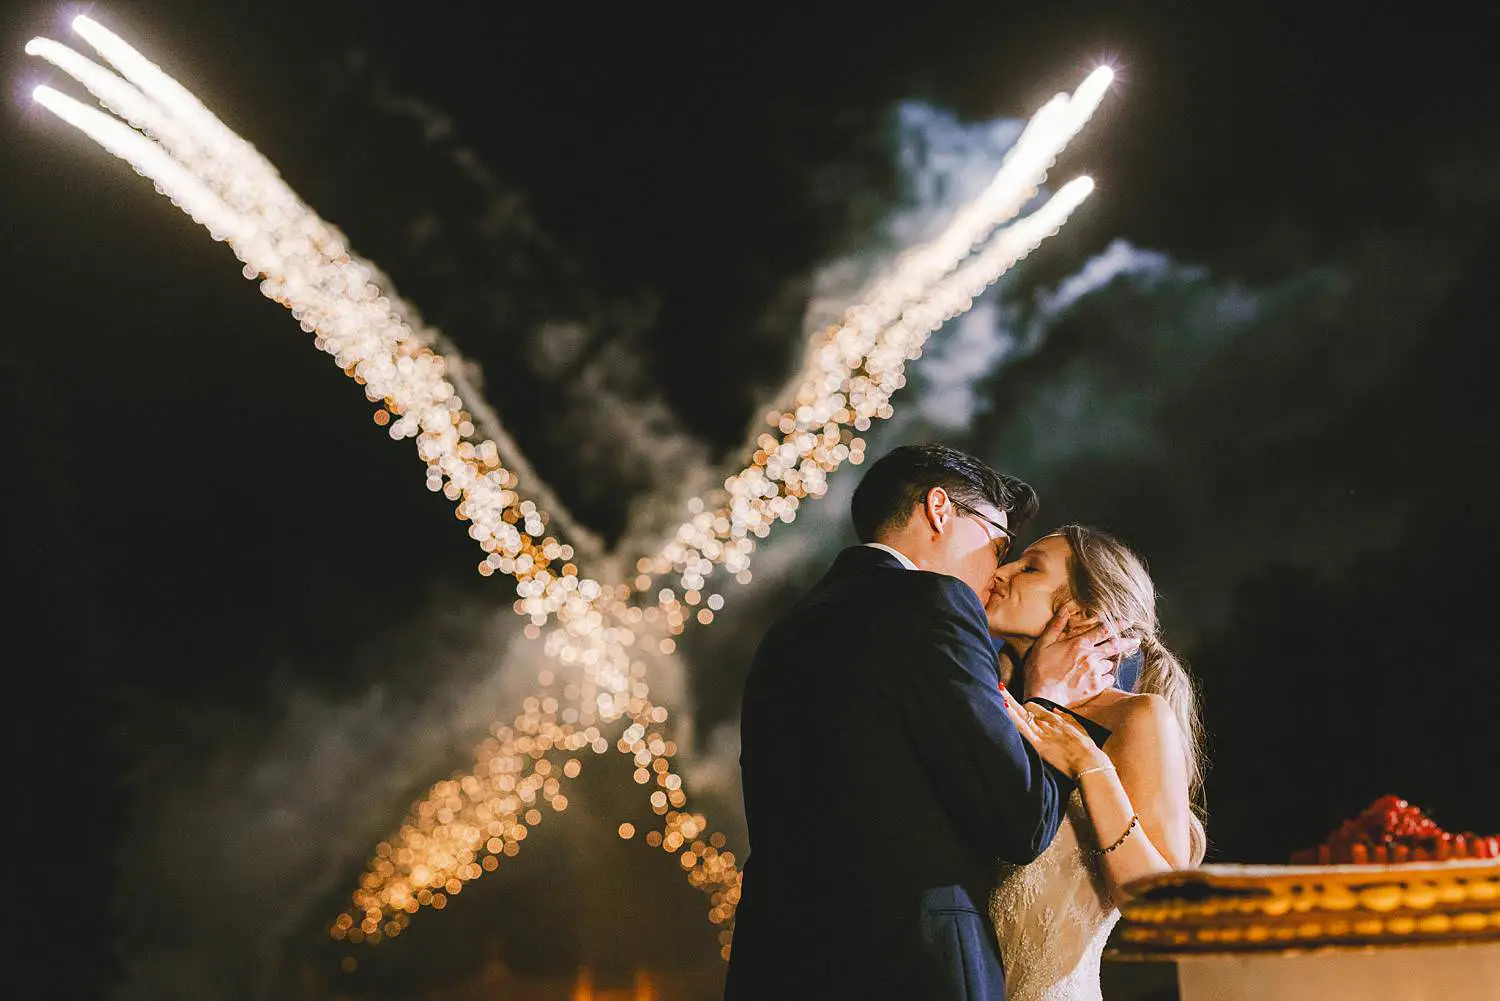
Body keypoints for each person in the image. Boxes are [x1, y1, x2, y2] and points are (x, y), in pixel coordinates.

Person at [724, 445, 1137, 1001]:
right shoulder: (931, 603)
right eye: (1000, 542)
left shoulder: (788, 631)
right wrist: (1051, 700)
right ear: (939, 509)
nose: (999, 569)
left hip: (774, 960)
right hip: (909, 964)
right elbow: (1020, 823)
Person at [986, 526, 1207, 1001]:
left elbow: (1163, 909)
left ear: (1083, 614)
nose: (1001, 572)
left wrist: (1092, 767)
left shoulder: (1136, 720)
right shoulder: (988, 702)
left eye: (1030, 568)